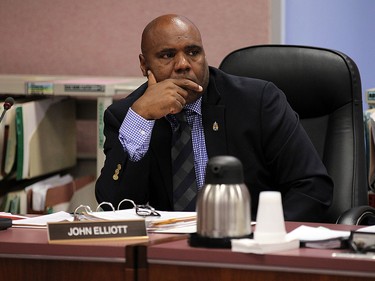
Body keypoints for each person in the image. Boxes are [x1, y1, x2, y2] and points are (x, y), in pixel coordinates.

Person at [95, 14, 333, 222]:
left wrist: (263, 234)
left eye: (193, 52)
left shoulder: (258, 101)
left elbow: (312, 187)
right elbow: (113, 207)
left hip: (248, 246)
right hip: (166, 253)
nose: (183, 65)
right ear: (144, 65)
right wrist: (142, 119)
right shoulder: (127, 116)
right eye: (167, 55)